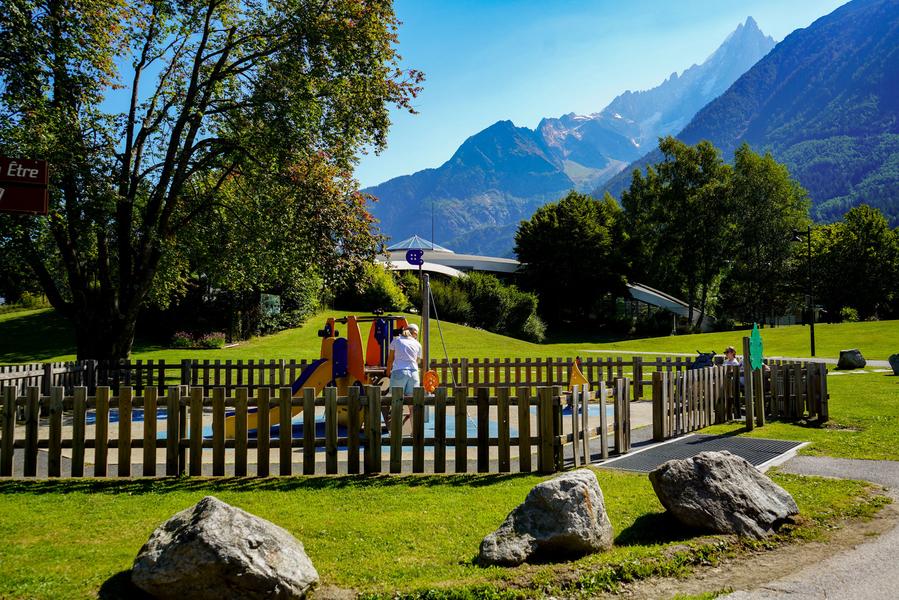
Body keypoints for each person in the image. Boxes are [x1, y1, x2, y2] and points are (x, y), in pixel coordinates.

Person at [388, 323, 422, 395]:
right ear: (415, 334)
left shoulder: (396, 340)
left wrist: (388, 371)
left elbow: (390, 359)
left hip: (399, 370)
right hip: (414, 373)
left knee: (396, 397)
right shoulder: (418, 344)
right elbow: (417, 361)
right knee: (412, 399)